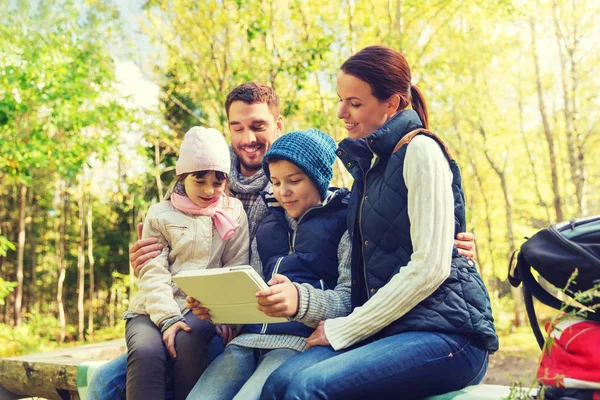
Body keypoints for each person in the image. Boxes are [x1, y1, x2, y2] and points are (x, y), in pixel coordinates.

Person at [88, 82, 477, 399]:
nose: (247, 137)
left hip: (282, 332)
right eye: (237, 127)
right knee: (107, 382)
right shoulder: (207, 175)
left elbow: (370, 252)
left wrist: (452, 246)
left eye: (257, 126)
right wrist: (151, 259)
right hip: (218, 323)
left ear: (278, 124)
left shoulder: (327, 190)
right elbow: (181, 245)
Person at [260, 46, 499, 399]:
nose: (342, 112)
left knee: (307, 387)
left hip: (448, 335)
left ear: (391, 103)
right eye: (341, 100)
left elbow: (430, 268)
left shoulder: (420, 151)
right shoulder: (369, 169)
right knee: (279, 383)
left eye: (354, 103)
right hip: (390, 329)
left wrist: (345, 329)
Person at [186, 129, 352, 400]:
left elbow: (348, 300)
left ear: (319, 179)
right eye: (275, 182)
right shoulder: (267, 224)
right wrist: (215, 308)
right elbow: (250, 293)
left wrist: (301, 300)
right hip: (245, 343)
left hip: (296, 344)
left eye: (294, 181)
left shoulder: (345, 222)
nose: (283, 192)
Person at [122, 126, 249, 400]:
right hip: (151, 309)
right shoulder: (160, 214)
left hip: (202, 307)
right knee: (145, 351)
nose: (209, 190)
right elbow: (153, 272)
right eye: (199, 180)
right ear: (183, 177)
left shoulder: (233, 212)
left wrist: (229, 316)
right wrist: (167, 319)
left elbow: (237, 266)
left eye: (218, 182)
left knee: (188, 339)